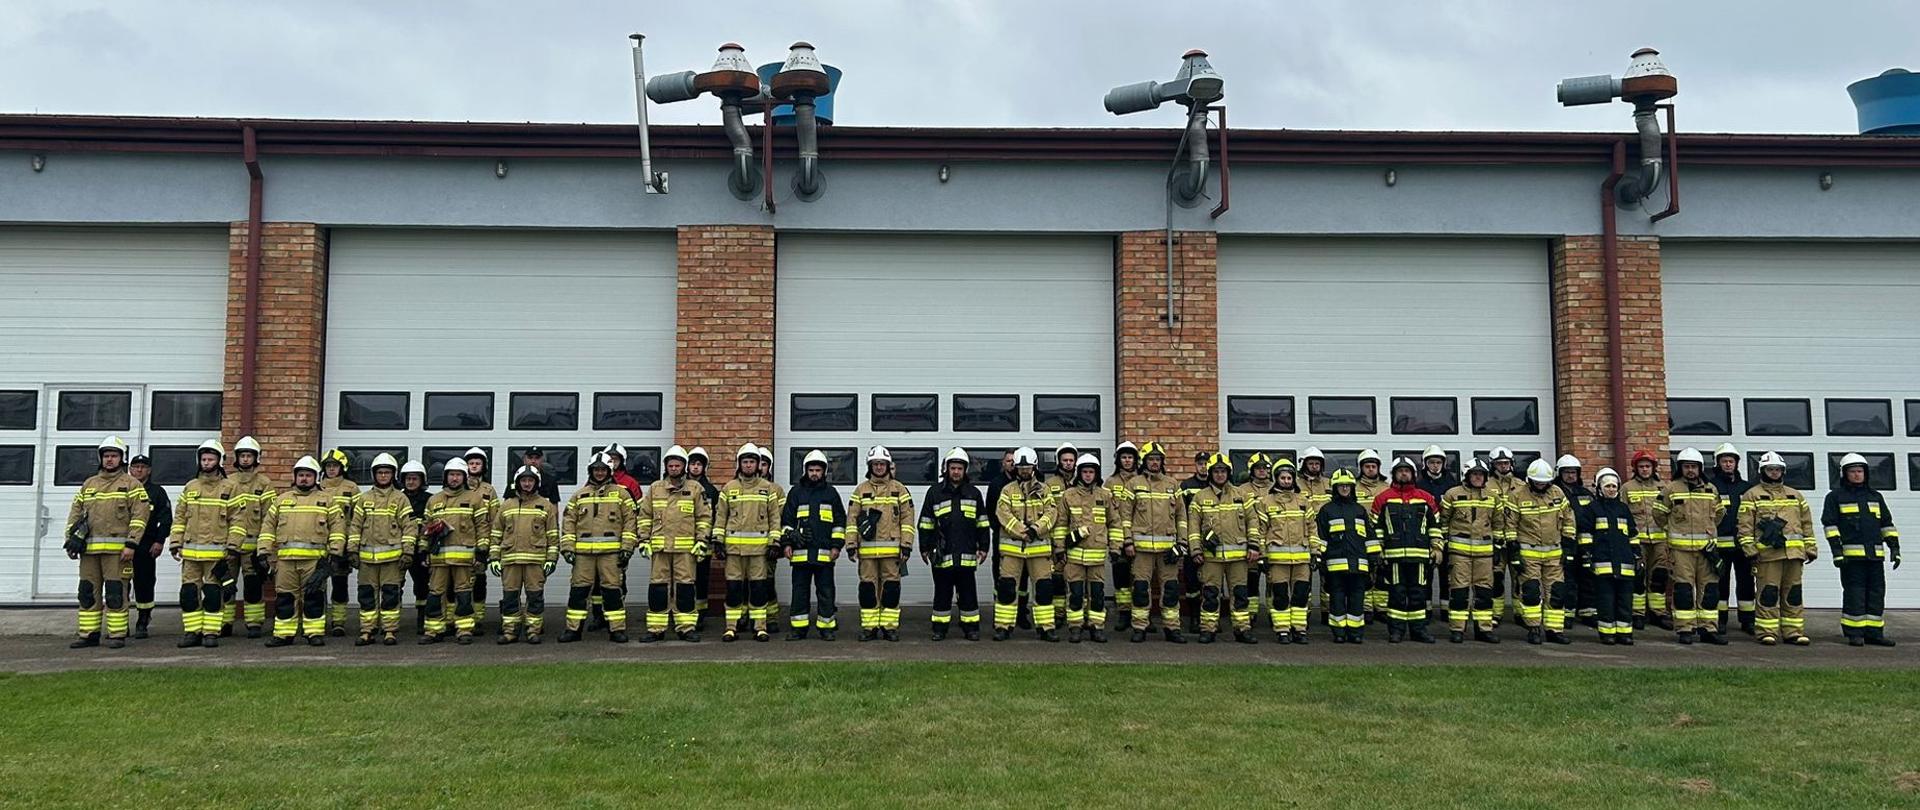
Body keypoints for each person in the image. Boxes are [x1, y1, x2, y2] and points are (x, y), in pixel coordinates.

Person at [65, 436, 150, 649]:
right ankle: (88, 634)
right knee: (87, 592)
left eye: (114, 455)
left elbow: (140, 516)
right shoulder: (89, 484)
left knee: (115, 593)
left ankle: (117, 634)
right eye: (106, 456)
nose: (109, 459)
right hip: (89, 552)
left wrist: (131, 544)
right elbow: (75, 513)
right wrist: (70, 540)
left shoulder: (132, 485)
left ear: (122, 458)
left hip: (118, 553)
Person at [259, 455, 343, 647]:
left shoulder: (327, 501)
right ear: (295, 477)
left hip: (314, 562)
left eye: (308, 475)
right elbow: (268, 527)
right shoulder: (281, 501)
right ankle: (283, 634)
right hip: (286, 561)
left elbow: (337, 529)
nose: (304, 479)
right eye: (301, 475)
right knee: (285, 598)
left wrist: (335, 554)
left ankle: (314, 633)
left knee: (313, 597)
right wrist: (263, 551)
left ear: (316, 478)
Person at [1822, 453, 1900, 647]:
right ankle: (1854, 633)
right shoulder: (1835, 497)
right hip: (1851, 559)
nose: (1857, 475)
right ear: (1844, 474)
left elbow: (1886, 524)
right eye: (1853, 471)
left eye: (1860, 471)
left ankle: (1874, 633)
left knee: (1876, 593)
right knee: (1854, 594)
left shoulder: (1875, 497)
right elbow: (1830, 526)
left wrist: (1894, 548)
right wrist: (1837, 552)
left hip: (1875, 557)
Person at [1738, 451, 1815, 646]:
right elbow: (1744, 526)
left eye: (1777, 469)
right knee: (1768, 594)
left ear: (1783, 471)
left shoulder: (1795, 495)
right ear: (1762, 471)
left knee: (1793, 594)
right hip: (1767, 555)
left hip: (1794, 555)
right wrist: (1749, 549)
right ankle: (1767, 632)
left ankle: (1793, 632)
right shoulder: (1752, 495)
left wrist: (1811, 548)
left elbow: (1806, 524)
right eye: (1770, 469)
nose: (1774, 472)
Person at [559, 453, 637, 643]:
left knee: (612, 592)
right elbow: (568, 522)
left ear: (609, 471)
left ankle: (616, 629)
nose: (599, 473)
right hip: (583, 555)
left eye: (603, 469)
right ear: (590, 471)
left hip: (611, 554)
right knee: (578, 592)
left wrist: (627, 548)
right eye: (596, 469)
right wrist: (567, 548)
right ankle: (573, 630)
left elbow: (630, 521)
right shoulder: (579, 495)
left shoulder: (622, 494)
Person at [639, 445, 710, 642]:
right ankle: (656, 629)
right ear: (666, 467)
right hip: (660, 549)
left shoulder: (695, 489)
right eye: (670, 465)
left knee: (685, 589)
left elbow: (704, 517)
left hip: (685, 551)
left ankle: (686, 628)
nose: (674, 468)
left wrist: (701, 540)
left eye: (677, 465)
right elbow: (644, 516)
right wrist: (643, 540)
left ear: (684, 466)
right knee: (658, 589)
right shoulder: (655, 488)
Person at [1657, 448, 1727, 645]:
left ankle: (1708, 629)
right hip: (1681, 552)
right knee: (1684, 590)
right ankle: (1685, 629)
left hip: (1707, 551)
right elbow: (1659, 514)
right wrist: (1673, 529)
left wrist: (1709, 531)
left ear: (1700, 468)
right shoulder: (1671, 489)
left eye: (1694, 467)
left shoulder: (1711, 490)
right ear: (1680, 468)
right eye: (1687, 466)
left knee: (1710, 590)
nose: (1690, 470)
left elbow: (1719, 514)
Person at [168, 439, 234, 648]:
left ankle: (211, 632)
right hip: (190, 553)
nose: (206, 463)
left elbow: (238, 520)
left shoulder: (229, 488)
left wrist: (233, 546)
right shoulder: (191, 487)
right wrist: (175, 542)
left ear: (219, 461)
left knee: (213, 594)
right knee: (189, 593)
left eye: (211, 459)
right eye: (204, 459)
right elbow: (180, 518)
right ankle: (192, 632)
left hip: (216, 554)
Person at [919, 448, 991, 640]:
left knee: (968, 594)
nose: (956, 472)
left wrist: (984, 547)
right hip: (942, 554)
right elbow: (925, 523)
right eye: (953, 468)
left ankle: (971, 628)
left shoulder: (974, 494)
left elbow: (982, 524)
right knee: (942, 594)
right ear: (946, 469)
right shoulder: (935, 493)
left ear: (965, 470)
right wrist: (925, 548)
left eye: (959, 468)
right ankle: (939, 629)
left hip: (966, 554)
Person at [347, 453, 418, 646]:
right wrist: (352, 551)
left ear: (393, 474)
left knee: (390, 596)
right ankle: (367, 631)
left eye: (387, 472)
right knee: (367, 596)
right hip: (367, 560)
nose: (384, 476)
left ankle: (390, 631)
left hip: (392, 560)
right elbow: (355, 526)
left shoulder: (400, 499)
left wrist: (408, 552)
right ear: (374, 475)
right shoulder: (364, 499)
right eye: (380, 472)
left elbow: (409, 527)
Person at [847, 446, 915, 641]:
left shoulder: (899, 489)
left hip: (892, 551)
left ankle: (889, 628)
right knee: (868, 590)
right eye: (875, 464)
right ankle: (869, 628)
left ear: (888, 466)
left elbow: (907, 519)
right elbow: (851, 519)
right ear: (870, 466)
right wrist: (851, 545)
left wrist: (906, 545)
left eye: (882, 464)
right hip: (867, 553)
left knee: (891, 590)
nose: (879, 467)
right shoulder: (861, 490)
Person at [419, 459, 491, 645]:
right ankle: (434, 630)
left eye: (458, 475)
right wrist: (423, 550)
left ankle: (464, 629)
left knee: (464, 594)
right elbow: (425, 528)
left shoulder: (474, 499)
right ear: (446, 477)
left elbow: (482, 527)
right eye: (451, 474)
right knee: (435, 594)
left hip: (464, 559)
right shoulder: (434, 500)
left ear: (464, 477)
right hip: (438, 558)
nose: (454, 478)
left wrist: (482, 552)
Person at [1188, 453, 1258, 644]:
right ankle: (1208, 629)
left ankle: (1242, 629)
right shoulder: (1199, 497)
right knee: (1210, 594)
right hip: (1211, 557)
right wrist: (1195, 550)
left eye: (1223, 471)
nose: (1220, 475)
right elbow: (1193, 527)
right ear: (1210, 473)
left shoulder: (1242, 495)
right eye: (1216, 471)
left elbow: (1253, 521)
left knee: (1240, 595)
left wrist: (1253, 545)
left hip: (1239, 557)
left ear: (1229, 473)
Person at [715, 444, 781, 642]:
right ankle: (731, 627)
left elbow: (774, 518)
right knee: (734, 589)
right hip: (734, 551)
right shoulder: (729, 488)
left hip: (759, 551)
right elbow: (721, 517)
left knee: (759, 589)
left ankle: (759, 627)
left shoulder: (767, 489)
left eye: (752, 462)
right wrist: (718, 541)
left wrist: (774, 542)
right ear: (739, 464)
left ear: (758, 464)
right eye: (745, 462)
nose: (749, 465)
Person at [1124, 443, 1188, 643]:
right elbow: (1125, 516)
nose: (1154, 462)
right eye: (1151, 459)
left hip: (1168, 549)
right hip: (1141, 549)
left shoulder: (1172, 484)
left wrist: (1182, 543)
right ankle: (1139, 627)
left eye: (1157, 459)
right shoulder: (1133, 484)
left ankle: (1172, 628)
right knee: (1141, 589)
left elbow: (1182, 516)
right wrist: (1127, 541)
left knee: (1171, 589)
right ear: (1144, 461)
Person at [1372, 457, 1441, 643]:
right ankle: (1396, 631)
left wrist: (1437, 548)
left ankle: (1419, 630)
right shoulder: (1382, 499)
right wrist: (1378, 550)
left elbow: (1435, 526)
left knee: (1418, 594)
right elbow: (1376, 528)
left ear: (1413, 474)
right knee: (1397, 594)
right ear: (1394, 474)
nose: (1404, 474)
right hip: (1393, 557)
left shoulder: (1426, 498)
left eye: (1407, 471)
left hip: (1420, 557)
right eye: (1400, 471)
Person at [1506, 459, 1574, 645]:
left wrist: (1569, 546)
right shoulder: (1517, 495)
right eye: (1537, 482)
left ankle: (1554, 630)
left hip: (1554, 554)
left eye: (1544, 482)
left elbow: (1569, 520)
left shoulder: (1557, 493)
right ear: (1530, 480)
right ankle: (1533, 628)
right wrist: (1514, 552)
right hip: (1529, 553)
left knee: (1556, 593)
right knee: (1531, 592)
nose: (1541, 485)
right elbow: (1510, 525)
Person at [994, 447, 1058, 641]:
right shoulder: (1007, 490)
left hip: (1039, 551)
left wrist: (1035, 530)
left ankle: (1046, 628)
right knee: (1007, 589)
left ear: (1034, 467)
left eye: (1027, 467)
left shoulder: (1044, 490)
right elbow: (1002, 514)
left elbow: (1051, 513)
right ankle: (1003, 627)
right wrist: (1023, 531)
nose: (1024, 471)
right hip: (1012, 550)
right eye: (1021, 467)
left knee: (1044, 589)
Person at [1054, 453, 1119, 643]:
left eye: (1091, 472)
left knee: (1097, 595)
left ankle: (1096, 627)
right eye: (1085, 472)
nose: (1088, 475)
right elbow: (1061, 524)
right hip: (1074, 558)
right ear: (1079, 473)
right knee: (1075, 594)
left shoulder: (1105, 495)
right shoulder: (1068, 495)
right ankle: (1075, 627)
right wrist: (1059, 548)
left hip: (1097, 558)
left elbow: (1114, 523)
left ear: (1096, 473)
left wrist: (1116, 548)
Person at [491, 465, 559, 644]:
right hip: (510, 561)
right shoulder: (506, 505)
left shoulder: (545, 505)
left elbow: (553, 535)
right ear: (517, 482)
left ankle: (533, 631)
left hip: (535, 561)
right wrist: (494, 559)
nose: (527, 484)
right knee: (510, 598)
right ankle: (510, 632)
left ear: (536, 483)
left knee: (535, 597)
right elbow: (496, 534)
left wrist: (551, 559)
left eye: (530, 480)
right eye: (523, 480)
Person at [782, 451, 846, 640]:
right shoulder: (796, 492)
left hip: (824, 554)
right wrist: (787, 543)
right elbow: (786, 521)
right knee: (799, 592)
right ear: (805, 471)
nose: (814, 473)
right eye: (811, 470)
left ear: (824, 471)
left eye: (818, 470)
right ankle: (798, 629)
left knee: (826, 592)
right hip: (800, 554)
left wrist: (836, 546)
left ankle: (826, 628)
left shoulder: (831, 493)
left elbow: (839, 522)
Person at [1254, 457, 1317, 644]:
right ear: (1276, 479)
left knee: (1301, 596)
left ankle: (1299, 630)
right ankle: (1282, 630)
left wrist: (1316, 553)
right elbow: (1261, 531)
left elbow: (1312, 528)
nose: (1286, 481)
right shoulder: (1266, 502)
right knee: (1280, 596)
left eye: (1289, 478)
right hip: (1277, 560)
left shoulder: (1303, 501)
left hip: (1302, 560)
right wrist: (1262, 556)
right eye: (1283, 478)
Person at [1440, 459, 1500, 643]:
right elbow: (1443, 522)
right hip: (1459, 554)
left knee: (1484, 593)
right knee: (1459, 592)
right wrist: (1444, 545)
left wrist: (1498, 547)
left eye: (1481, 474)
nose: (1478, 477)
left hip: (1485, 555)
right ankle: (1457, 629)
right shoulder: (1452, 494)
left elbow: (1498, 524)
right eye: (1474, 474)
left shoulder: (1492, 497)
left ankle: (1484, 629)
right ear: (1466, 475)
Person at [1579, 467, 1639, 645]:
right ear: (1599, 488)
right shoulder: (1592, 509)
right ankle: (1607, 633)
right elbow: (1585, 535)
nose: (1611, 489)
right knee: (1606, 600)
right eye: (1607, 486)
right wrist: (1587, 556)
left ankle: (1625, 633)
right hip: (1602, 563)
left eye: (1614, 486)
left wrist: (1637, 556)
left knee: (1625, 600)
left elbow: (1633, 535)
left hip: (1625, 564)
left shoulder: (1623, 509)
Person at [224, 436, 276, 638]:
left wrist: (264, 548)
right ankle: (225, 622)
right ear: (237, 458)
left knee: (253, 585)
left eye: (249, 455)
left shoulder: (264, 484)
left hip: (253, 546)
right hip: (229, 547)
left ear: (256, 458)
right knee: (226, 585)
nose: (245, 459)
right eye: (242, 455)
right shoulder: (227, 482)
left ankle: (254, 623)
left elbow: (269, 517)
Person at [1316, 469, 1376, 643]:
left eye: (1347, 485)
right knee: (1337, 600)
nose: (1344, 488)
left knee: (1357, 599)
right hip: (1335, 566)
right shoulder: (1326, 510)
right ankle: (1339, 632)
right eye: (1341, 485)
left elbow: (1369, 537)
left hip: (1359, 565)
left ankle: (1355, 633)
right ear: (1335, 488)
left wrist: (1373, 559)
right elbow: (1321, 537)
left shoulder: (1359, 510)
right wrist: (1321, 561)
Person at [1708, 442, 1756, 635]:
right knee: (1720, 584)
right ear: (1718, 463)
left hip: (1744, 546)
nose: (1728, 464)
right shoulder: (1711, 487)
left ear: (1736, 463)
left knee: (1746, 583)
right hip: (1720, 547)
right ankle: (1720, 621)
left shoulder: (1747, 488)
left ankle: (1748, 621)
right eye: (1724, 461)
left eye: (1731, 461)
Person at [125, 452, 172, 639]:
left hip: (146, 545)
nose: (139, 470)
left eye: (143, 467)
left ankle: (143, 620)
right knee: (120, 584)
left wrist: (160, 541)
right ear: (130, 470)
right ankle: (120, 622)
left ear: (149, 470)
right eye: (135, 467)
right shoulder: (123, 489)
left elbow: (166, 519)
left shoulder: (157, 493)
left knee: (144, 583)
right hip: (122, 545)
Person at [1623, 450, 1671, 630]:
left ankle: (1658, 612)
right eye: (1641, 466)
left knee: (1659, 576)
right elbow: (1622, 514)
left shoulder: (1664, 487)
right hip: (1637, 542)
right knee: (1638, 577)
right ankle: (1638, 613)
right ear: (1635, 468)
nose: (1644, 469)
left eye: (1648, 466)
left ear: (1653, 468)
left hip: (1660, 541)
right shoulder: (1627, 488)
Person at [319, 448, 362, 636]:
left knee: (339, 583)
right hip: (319, 543)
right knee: (317, 584)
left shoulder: (351, 488)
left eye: (335, 466)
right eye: (328, 466)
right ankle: (318, 619)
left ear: (342, 467)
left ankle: (338, 621)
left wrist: (353, 544)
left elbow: (358, 517)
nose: (331, 469)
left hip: (342, 545)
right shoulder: (317, 487)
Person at [1555, 454, 1598, 628]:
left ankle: (1588, 611)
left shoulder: (1586, 494)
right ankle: (1567, 613)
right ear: (1560, 473)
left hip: (1585, 543)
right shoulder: (1555, 492)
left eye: (1573, 472)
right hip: (1565, 542)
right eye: (1567, 472)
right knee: (1567, 578)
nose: (1570, 476)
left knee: (1587, 576)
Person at [462, 447, 499, 636]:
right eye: (471, 463)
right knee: (459, 582)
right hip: (460, 543)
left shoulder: (489, 490)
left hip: (481, 543)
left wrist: (490, 545)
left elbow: (495, 518)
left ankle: (477, 618)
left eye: (478, 463)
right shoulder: (459, 487)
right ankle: (458, 618)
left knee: (478, 581)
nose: (474, 466)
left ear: (483, 466)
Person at [1486, 447, 1524, 625]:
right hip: (1496, 541)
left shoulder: (1522, 485)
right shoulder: (1486, 485)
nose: (1503, 466)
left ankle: (1520, 613)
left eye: (1506, 463)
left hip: (1518, 540)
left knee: (1520, 578)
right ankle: (1496, 613)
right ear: (1492, 465)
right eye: (1499, 463)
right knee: (1496, 578)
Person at [1107, 442, 1142, 630]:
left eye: (1130, 457)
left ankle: (1141, 615)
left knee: (1140, 579)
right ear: (1118, 460)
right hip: (1118, 537)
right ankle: (1124, 613)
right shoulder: (1110, 483)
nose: (1127, 461)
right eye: (1124, 457)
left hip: (1140, 536)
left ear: (1135, 460)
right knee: (1121, 578)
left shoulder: (1143, 480)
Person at [687, 446, 722, 632]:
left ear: (704, 467)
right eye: (692, 464)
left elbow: (715, 517)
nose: (695, 467)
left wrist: (713, 541)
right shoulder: (679, 488)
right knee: (683, 581)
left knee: (701, 580)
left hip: (704, 545)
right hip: (683, 543)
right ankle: (683, 612)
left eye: (699, 464)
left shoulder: (711, 491)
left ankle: (700, 614)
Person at [399, 459, 434, 635]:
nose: (411, 482)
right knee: (394, 586)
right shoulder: (398, 498)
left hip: (420, 550)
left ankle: (423, 619)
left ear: (422, 480)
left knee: (422, 586)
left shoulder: (429, 500)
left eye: (415, 478)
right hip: (399, 549)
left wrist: (426, 549)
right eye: (408, 479)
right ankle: (390, 622)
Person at [1354, 449, 1389, 620]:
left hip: (1383, 536)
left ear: (1378, 468)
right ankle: (1366, 609)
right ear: (1361, 468)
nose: (1370, 469)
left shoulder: (1386, 488)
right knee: (1364, 574)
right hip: (1361, 537)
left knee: (1382, 573)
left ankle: (1382, 609)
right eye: (1367, 466)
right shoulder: (1353, 487)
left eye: (1373, 466)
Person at [1240, 454, 1274, 619]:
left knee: (1273, 581)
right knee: (1251, 581)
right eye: (1258, 468)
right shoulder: (1242, 490)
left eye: (1265, 468)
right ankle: (1251, 614)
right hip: (1251, 542)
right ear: (1251, 470)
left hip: (1272, 541)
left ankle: (1273, 614)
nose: (1262, 471)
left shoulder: (1276, 488)